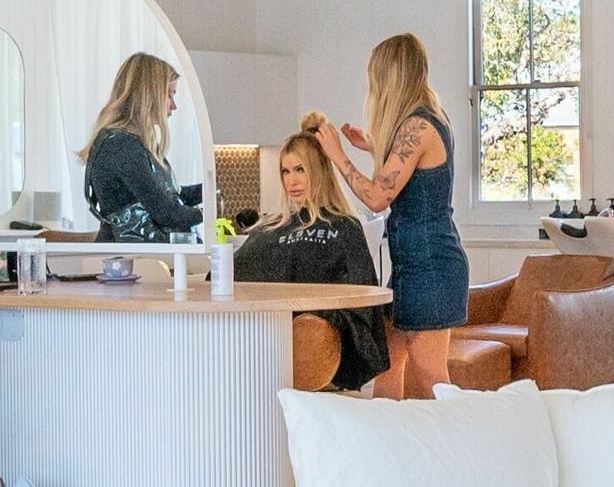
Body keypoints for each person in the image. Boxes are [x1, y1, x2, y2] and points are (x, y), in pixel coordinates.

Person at [326, 33, 461, 397]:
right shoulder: (424, 120)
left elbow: (377, 196)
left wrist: (337, 154)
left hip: (429, 267)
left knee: (433, 380)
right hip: (412, 267)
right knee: (386, 368)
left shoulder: (418, 127)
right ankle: (389, 448)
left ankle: (458, 447)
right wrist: (372, 144)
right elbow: (408, 167)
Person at [233, 114, 389, 391]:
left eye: (300, 170)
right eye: (285, 171)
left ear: (318, 170)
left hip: (317, 345)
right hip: (263, 338)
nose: (292, 181)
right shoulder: (270, 226)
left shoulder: (343, 227)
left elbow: (361, 299)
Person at [82, 52, 203, 242]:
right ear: (149, 95)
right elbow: (165, 212)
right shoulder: (122, 147)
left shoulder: (130, 143)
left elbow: (170, 196)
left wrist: (214, 192)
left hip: (137, 258)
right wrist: (208, 212)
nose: (174, 106)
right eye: (169, 94)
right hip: (130, 262)